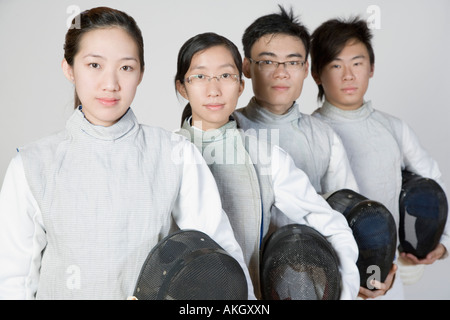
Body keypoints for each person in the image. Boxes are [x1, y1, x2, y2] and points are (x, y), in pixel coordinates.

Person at [0, 7, 254, 300]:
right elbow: (12, 282)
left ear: (141, 73)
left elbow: (217, 256)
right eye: (94, 65)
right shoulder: (32, 164)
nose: (111, 83)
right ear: (69, 69)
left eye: (126, 67)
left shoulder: (175, 154)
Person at [174, 32, 360, 299]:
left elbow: (330, 225)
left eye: (225, 76)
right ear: (183, 87)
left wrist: (344, 291)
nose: (213, 89)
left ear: (240, 85)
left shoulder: (266, 156)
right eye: (200, 77)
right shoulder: (164, 153)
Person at [310, 17, 450, 299]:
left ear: (371, 68)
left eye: (357, 63)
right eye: (336, 65)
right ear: (316, 74)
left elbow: (433, 181)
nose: (348, 75)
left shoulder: (393, 128)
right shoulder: (311, 133)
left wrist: (443, 241)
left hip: (387, 272)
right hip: (330, 278)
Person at [233, 6, 358, 198]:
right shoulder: (226, 129)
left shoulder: (324, 136)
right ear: (247, 67)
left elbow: (346, 205)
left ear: (306, 69)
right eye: (267, 62)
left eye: (292, 62)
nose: (281, 73)